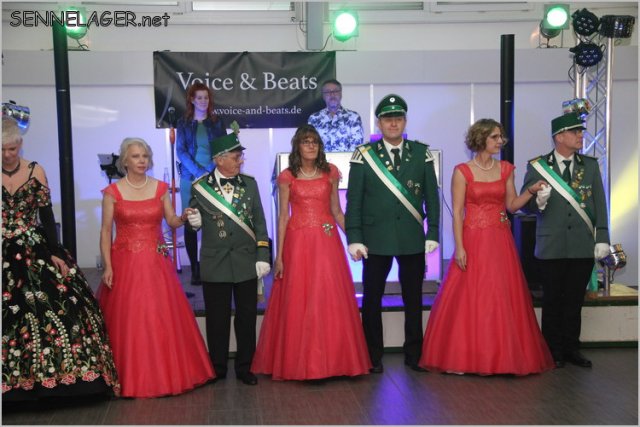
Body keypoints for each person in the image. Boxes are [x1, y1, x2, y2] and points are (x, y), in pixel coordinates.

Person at [419, 118, 555, 375]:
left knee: (500, 296)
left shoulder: (505, 169)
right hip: (473, 239)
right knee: (470, 297)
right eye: (495, 137)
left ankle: (503, 357)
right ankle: (466, 357)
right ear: (480, 139)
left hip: (500, 240)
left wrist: (531, 191)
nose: (500, 141)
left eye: (501, 136)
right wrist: (459, 247)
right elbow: (457, 213)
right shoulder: (463, 171)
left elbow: (511, 205)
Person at [2, 116, 119, 404]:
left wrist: (53, 251)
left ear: (20, 145)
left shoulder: (35, 170)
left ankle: (62, 381)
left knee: (59, 307)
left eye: (11, 149)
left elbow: (46, 214)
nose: (6, 155)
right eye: (1, 150)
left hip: (32, 246)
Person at [251, 125, 371, 380]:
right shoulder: (287, 177)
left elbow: (337, 211)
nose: (311, 146)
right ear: (298, 146)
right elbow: (283, 217)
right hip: (297, 243)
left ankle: (334, 361)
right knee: (299, 298)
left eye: (315, 142)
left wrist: (355, 239)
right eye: (306, 142)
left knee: (328, 296)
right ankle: (300, 363)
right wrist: (279, 256)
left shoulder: (330, 172)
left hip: (326, 242)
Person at [97, 137, 214, 398]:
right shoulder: (112, 192)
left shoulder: (160, 188)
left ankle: (165, 374)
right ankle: (129, 377)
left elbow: (171, 221)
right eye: (136, 156)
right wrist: (107, 266)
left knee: (159, 318)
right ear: (125, 161)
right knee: (130, 321)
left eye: (145, 156)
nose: (141, 161)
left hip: (156, 263)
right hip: (125, 264)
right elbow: (105, 232)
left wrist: (183, 217)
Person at [345, 94, 440, 373]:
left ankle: (414, 355)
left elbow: (432, 199)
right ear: (379, 123)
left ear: (405, 121)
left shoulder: (421, 153)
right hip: (375, 239)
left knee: (413, 299)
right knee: (371, 300)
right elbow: (354, 200)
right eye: (388, 119)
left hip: (411, 238)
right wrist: (354, 237)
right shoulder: (364, 155)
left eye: (398, 118)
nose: (393, 123)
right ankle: (372, 356)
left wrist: (433, 232)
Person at [520, 112, 610, 369]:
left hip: (581, 244)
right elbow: (525, 205)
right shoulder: (538, 166)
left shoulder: (589, 166)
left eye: (580, 132)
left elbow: (600, 203)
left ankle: (572, 348)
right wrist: (538, 203)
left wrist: (602, 236)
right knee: (552, 301)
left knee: (574, 301)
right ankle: (552, 350)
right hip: (551, 245)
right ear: (559, 137)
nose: (581, 136)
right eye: (575, 132)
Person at [187, 131, 270, 386]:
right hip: (215, 263)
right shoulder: (200, 187)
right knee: (217, 319)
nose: (240, 161)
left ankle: (245, 367)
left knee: (246, 317)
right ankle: (218, 367)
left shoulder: (250, 184)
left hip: (246, 261)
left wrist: (263, 254)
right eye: (236, 157)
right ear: (219, 159)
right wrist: (193, 223)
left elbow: (260, 223)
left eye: (240, 156)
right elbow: (190, 222)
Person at [176, 82, 227, 284]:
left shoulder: (217, 122)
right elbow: (181, 151)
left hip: (213, 177)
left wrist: (208, 171)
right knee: (191, 222)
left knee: (212, 223)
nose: (203, 101)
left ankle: (210, 266)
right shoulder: (183, 123)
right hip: (189, 179)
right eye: (199, 98)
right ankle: (195, 269)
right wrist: (198, 172)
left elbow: (223, 149)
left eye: (206, 97)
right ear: (192, 100)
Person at [307, 78, 364, 152]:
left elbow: (357, 147)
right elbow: (311, 145)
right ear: (323, 96)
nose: (332, 94)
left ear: (341, 94)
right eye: (328, 92)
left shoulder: (353, 118)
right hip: (321, 159)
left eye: (335, 91)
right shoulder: (314, 118)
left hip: (346, 159)